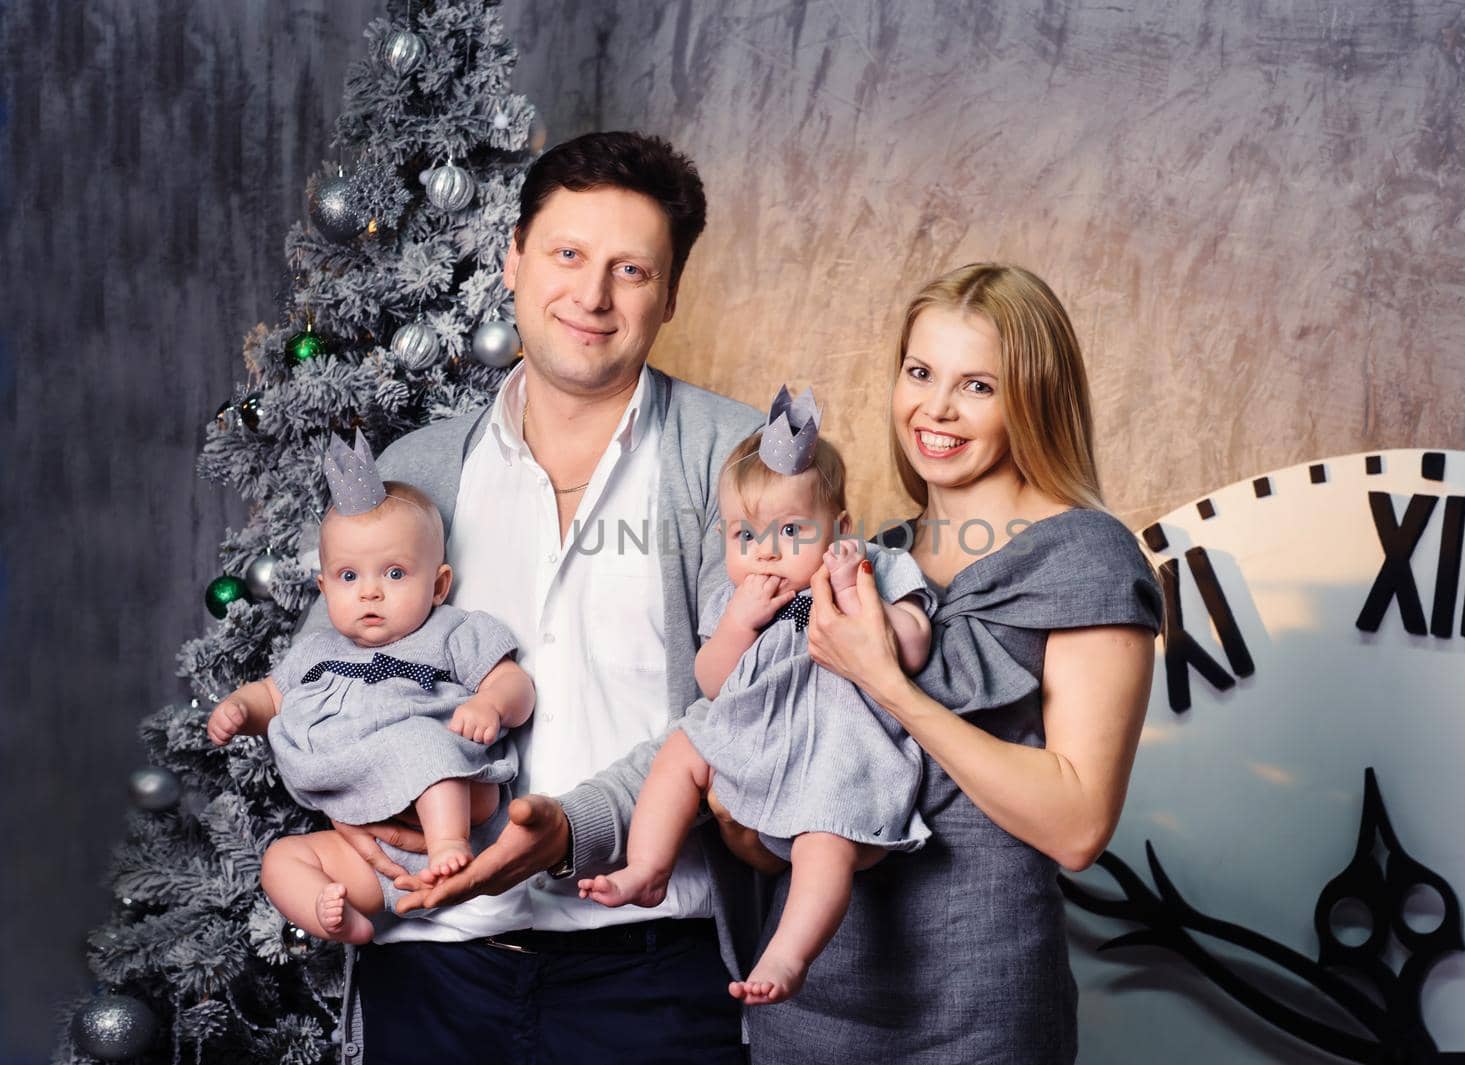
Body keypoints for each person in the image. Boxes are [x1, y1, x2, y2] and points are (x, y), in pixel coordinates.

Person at [316, 132, 765, 1064]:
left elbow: (755, 706)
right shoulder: (418, 473)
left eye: (630, 269)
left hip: (648, 974)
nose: (592, 296)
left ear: (671, 294)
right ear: (513, 258)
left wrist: (576, 830)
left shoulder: (739, 461)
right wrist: (353, 797)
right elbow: (331, 678)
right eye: (567, 254)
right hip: (431, 970)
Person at [743, 263, 1163, 1063]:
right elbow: (813, 781)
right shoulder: (874, 559)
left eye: (977, 386)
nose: (935, 408)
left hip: (978, 1012)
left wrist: (888, 683)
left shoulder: (1087, 559)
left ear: (1032, 399)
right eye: (920, 372)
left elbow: (1077, 826)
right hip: (807, 1004)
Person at [579, 404, 936, 1007]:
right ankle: (647, 865)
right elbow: (713, 682)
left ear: (841, 528)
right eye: (746, 536)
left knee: (827, 844)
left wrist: (854, 591)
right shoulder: (734, 597)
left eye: (791, 531)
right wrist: (736, 629)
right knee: (682, 749)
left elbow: (915, 646)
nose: (765, 553)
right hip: (754, 735)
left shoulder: (878, 566)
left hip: (835, 747)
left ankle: (790, 951)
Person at [207, 448, 534, 946]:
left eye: (395, 574)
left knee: (422, 743)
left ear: (439, 585)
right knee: (282, 861)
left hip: (455, 807)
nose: (370, 593)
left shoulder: (450, 631)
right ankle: (340, 922)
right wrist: (239, 710)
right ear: (324, 587)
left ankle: (449, 847)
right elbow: (270, 697)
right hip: (367, 839)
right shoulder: (317, 650)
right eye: (349, 577)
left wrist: (489, 704)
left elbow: (514, 684)